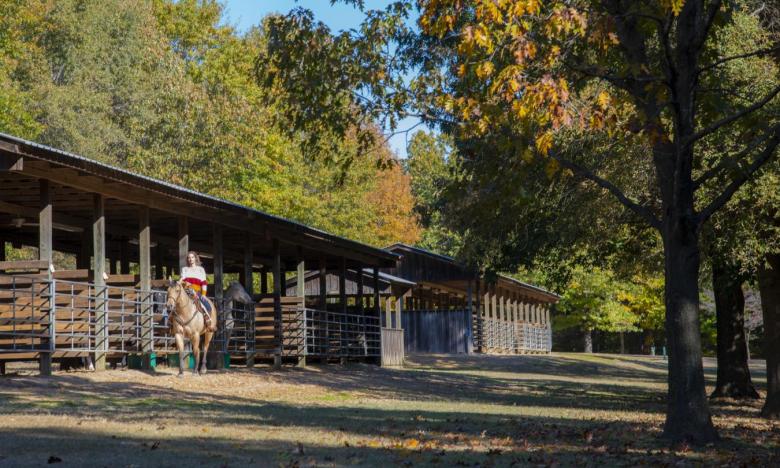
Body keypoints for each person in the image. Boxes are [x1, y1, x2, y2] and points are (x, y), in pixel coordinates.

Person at [180, 251, 215, 329]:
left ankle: (208, 323)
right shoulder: (184, 269)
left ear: (195, 258)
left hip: (196, 292)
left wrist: (203, 294)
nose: (190, 259)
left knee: (207, 306)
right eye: (189, 258)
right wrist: (184, 282)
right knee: (173, 303)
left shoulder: (200, 270)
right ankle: (170, 323)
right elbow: (181, 280)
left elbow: (204, 283)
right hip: (186, 292)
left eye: (192, 257)